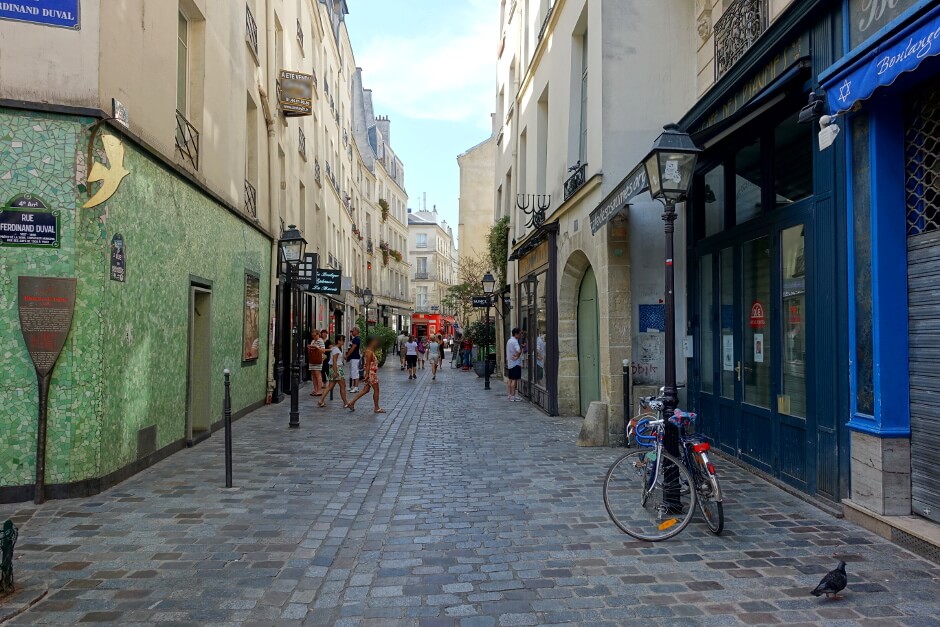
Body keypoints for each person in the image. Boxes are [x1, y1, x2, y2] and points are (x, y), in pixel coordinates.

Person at [347, 337, 385, 414]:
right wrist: (367, 374)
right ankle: (376, 407)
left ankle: (352, 402)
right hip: (371, 373)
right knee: (376, 390)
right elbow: (367, 364)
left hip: (370, 373)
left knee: (366, 390)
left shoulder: (367, 351)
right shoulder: (369, 352)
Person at [319, 335, 349, 408]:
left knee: (330, 386)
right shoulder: (336, 350)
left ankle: (321, 400)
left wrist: (324, 350)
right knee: (342, 386)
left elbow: (329, 351)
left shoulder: (335, 348)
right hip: (337, 368)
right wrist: (335, 372)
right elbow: (334, 361)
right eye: (342, 340)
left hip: (334, 368)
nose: (343, 342)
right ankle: (345, 402)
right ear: (338, 341)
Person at [506, 327, 523, 402]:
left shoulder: (509, 341)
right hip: (515, 363)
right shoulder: (515, 342)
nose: (520, 335)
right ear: (516, 334)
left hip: (510, 363)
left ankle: (509, 395)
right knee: (514, 380)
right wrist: (517, 356)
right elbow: (519, 351)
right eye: (519, 334)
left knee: (510, 379)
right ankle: (513, 396)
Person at [308, 331, 327, 397]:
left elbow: (323, 350)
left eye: (315, 335)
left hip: (318, 359)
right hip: (312, 359)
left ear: (318, 334)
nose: (314, 337)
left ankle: (319, 390)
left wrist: (316, 347)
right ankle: (315, 389)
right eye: (312, 335)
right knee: (313, 374)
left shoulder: (320, 341)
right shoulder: (313, 341)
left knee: (317, 374)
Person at [346, 326, 362, 394]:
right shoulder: (355, 339)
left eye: (352, 331)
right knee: (353, 372)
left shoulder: (356, 339)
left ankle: (356, 387)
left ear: (356, 331)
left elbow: (352, 348)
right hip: (354, 358)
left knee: (355, 372)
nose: (351, 332)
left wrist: (347, 355)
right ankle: (353, 386)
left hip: (355, 358)